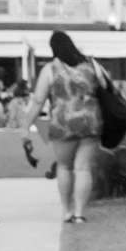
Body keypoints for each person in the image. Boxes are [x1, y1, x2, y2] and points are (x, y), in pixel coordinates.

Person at [29, 31, 103, 223]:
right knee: (83, 168)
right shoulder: (91, 65)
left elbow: (38, 100)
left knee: (64, 166)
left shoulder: (51, 69)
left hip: (63, 123)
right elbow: (104, 86)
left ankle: (67, 210)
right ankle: (79, 213)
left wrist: (25, 125)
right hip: (90, 121)